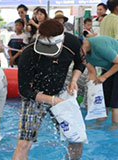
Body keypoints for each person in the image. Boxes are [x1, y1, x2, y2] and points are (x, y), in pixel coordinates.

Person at [12, 19, 85, 160]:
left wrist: (73, 80)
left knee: (76, 139)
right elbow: (25, 91)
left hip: (61, 93)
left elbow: (81, 62)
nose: (48, 54)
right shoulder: (28, 54)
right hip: (35, 96)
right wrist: (51, 100)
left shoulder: (72, 42)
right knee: (23, 144)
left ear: (62, 40)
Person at [81, 36, 118, 130]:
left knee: (115, 103)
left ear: (83, 45)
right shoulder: (83, 54)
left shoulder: (99, 46)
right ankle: (99, 123)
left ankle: (115, 128)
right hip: (109, 67)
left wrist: (104, 77)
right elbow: (92, 72)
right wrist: (92, 92)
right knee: (103, 99)